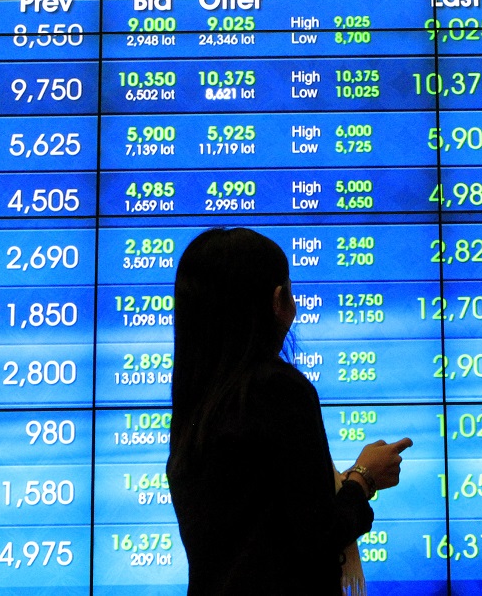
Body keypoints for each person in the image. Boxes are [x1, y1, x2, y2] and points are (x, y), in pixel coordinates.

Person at [167, 227, 413, 595]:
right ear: (278, 301)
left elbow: (261, 522)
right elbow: (318, 535)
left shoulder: (196, 399)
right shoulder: (278, 390)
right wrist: (364, 478)